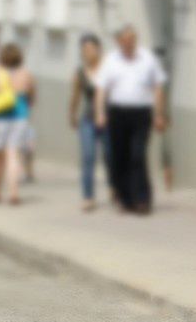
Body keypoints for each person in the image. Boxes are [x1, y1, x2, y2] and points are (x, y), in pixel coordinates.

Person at [96, 25, 167, 214]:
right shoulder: (111, 60)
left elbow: (158, 86)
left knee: (137, 155)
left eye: (131, 41)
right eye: (125, 41)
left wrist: (159, 114)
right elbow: (101, 88)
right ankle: (126, 198)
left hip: (141, 114)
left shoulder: (147, 59)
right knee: (120, 156)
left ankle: (142, 198)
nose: (128, 44)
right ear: (119, 42)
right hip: (117, 113)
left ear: (135, 41)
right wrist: (100, 113)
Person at [0, 42, 35, 207]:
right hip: (20, 118)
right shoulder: (26, 75)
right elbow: (32, 97)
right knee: (13, 155)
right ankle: (13, 192)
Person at [68, 33, 112, 211]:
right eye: (84, 50)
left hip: (109, 120)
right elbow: (76, 95)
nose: (87, 53)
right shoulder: (80, 73)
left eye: (90, 49)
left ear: (99, 49)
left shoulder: (108, 69)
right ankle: (88, 196)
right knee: (88, 156)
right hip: (88, 119)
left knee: (110, 157)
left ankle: (113, 186)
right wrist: (71, 114)